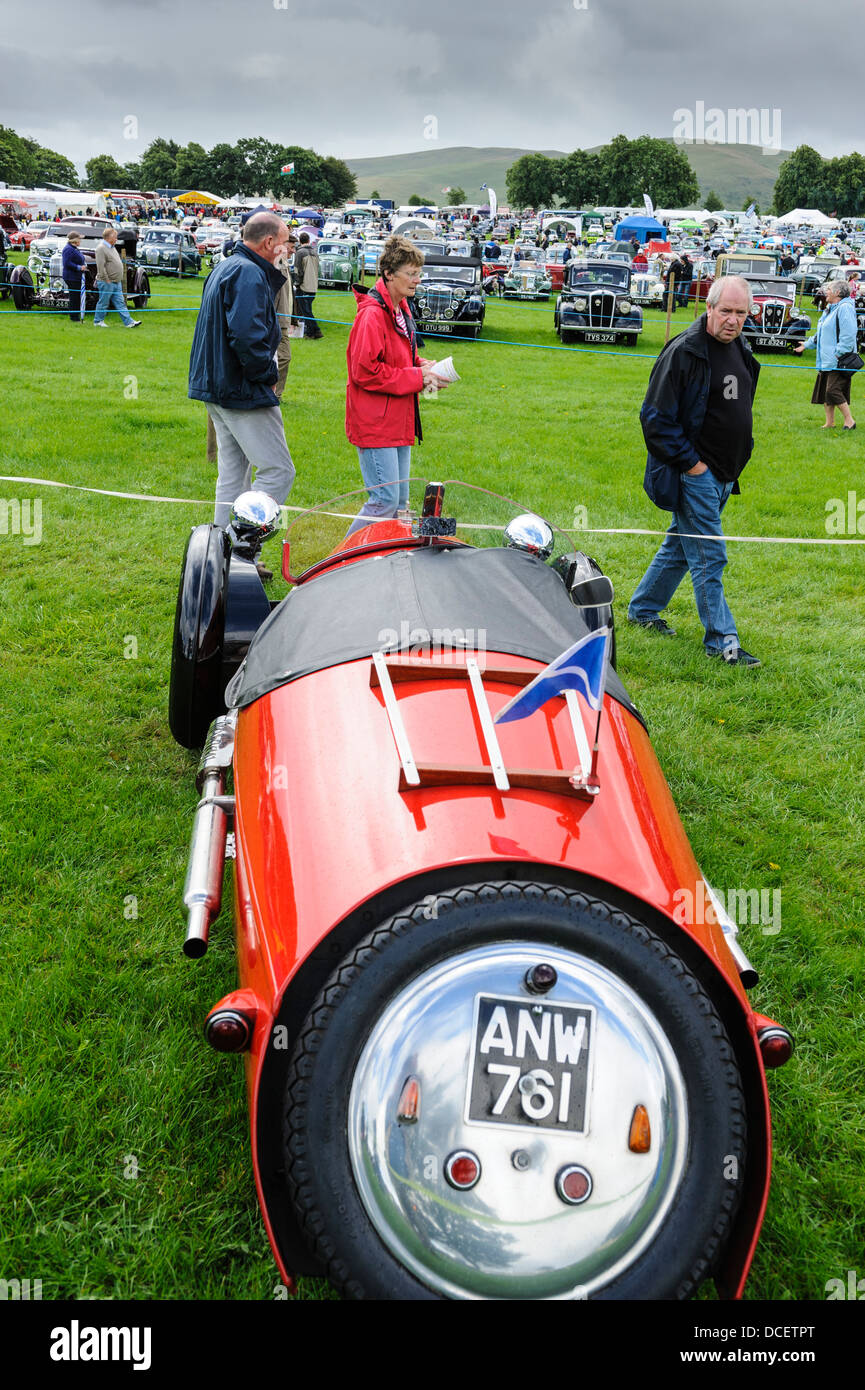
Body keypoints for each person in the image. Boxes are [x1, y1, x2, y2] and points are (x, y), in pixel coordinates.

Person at [628, 275, 762, 666]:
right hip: (695, 474)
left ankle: (643, 609)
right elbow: (654, 419)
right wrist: (694, 465)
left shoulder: (740, 347)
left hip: (726, 474)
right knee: (709, 554)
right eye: (726, 312)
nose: (733, 320)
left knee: (679, 547)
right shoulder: (684, 352)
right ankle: (723, 642)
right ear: (709, 307)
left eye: (741, 313)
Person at [188, 211, 297, 578]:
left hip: (219, 388)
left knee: (233, 475)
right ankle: (241, 550)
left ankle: (221, 558)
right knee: (278, 471)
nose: (288, 248)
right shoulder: (249, 273)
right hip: (239, 389)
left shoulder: (228, 266)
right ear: (268, 243)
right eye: (284, 240)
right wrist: (267, 376)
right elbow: (248, 337)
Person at [344, 235, 447, 535]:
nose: (417, 280)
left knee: (399, 501)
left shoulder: (401, 308)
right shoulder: (372, 315)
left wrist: (424, 366)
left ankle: (382, 562)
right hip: (376, 423)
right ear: (389, 274)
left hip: (398, 420)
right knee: (384, 500)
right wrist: (418, 378)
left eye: (419, 274)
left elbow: (400, 355)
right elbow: (365, 372)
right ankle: (341, 560)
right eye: (411, 274)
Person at [793, 278, 857, 430]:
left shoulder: (845, 308)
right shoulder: (830, 307)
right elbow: (822, 332)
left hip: (838, 360)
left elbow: (848, 335)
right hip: (826, 359)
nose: (825, 292)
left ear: (837, 292)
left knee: (832, 390)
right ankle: (830, 422)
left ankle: (850, 421)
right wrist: (807, 345)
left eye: (828, 289)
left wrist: (838, 353)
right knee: (825, 391)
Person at [93, 226, 140, 328]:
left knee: (120, 303)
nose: (116, 239)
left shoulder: (112, 247)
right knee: (104, 302)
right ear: (108, 237)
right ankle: (98, 321)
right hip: (107, 282)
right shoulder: (101, 248)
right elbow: (101, 266)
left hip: (116, 281)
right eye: (115, 237)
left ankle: (129, 322)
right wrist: (107, 279)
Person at [293, 231, 323, 339]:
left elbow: (298, 270)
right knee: (307, 310)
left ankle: (316, 331)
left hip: (304, 286)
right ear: (309, 241)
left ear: (300, 241)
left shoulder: (300, 253)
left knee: (306, 312)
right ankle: (310, 333)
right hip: (313, 286)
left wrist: (297, 283)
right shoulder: (315, 252)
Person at [61, 232, 86, 323]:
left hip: (75, 276)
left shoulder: (74, 248)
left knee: (76, 297)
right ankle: (74, 318)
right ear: (75, 240)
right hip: (71, 277)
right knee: (74, 297)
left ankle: (76, 316)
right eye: (79, 239)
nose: (80, 241)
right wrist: (79, 267)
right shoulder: (68, 249)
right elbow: (67, 263)